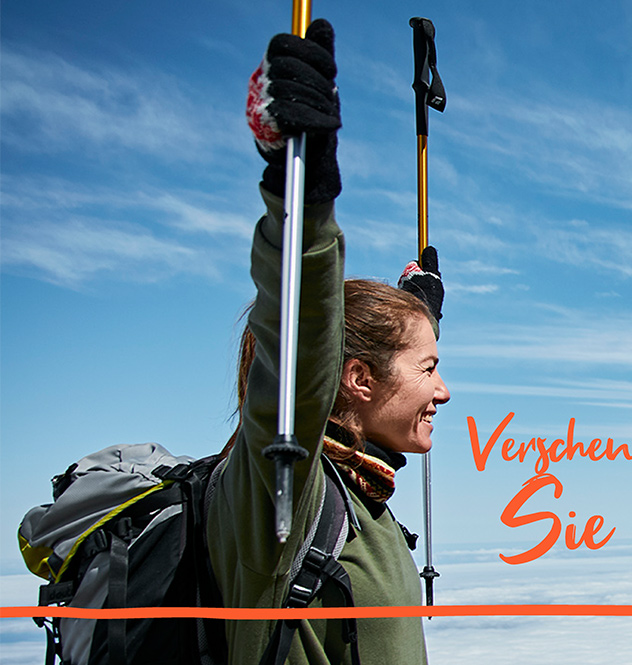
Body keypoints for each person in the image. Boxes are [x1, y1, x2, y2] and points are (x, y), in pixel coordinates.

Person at [208, 19, 448, 665]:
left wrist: (417, 318)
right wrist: (304, 206)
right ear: (358, 378)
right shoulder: (283, 497)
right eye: (430, 368)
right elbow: (301, 342)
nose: (444, 391)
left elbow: (358, 357)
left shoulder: (362, 489)